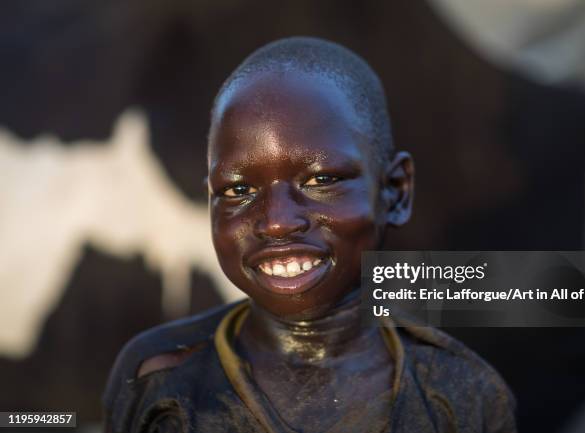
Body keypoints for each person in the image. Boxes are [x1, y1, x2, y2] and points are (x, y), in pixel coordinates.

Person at [103, 37, 516, 433]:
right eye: (238, 191)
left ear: (394, 192)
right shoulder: (158, 377)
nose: (278, 222)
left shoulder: (459, 394)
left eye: (321, 179)